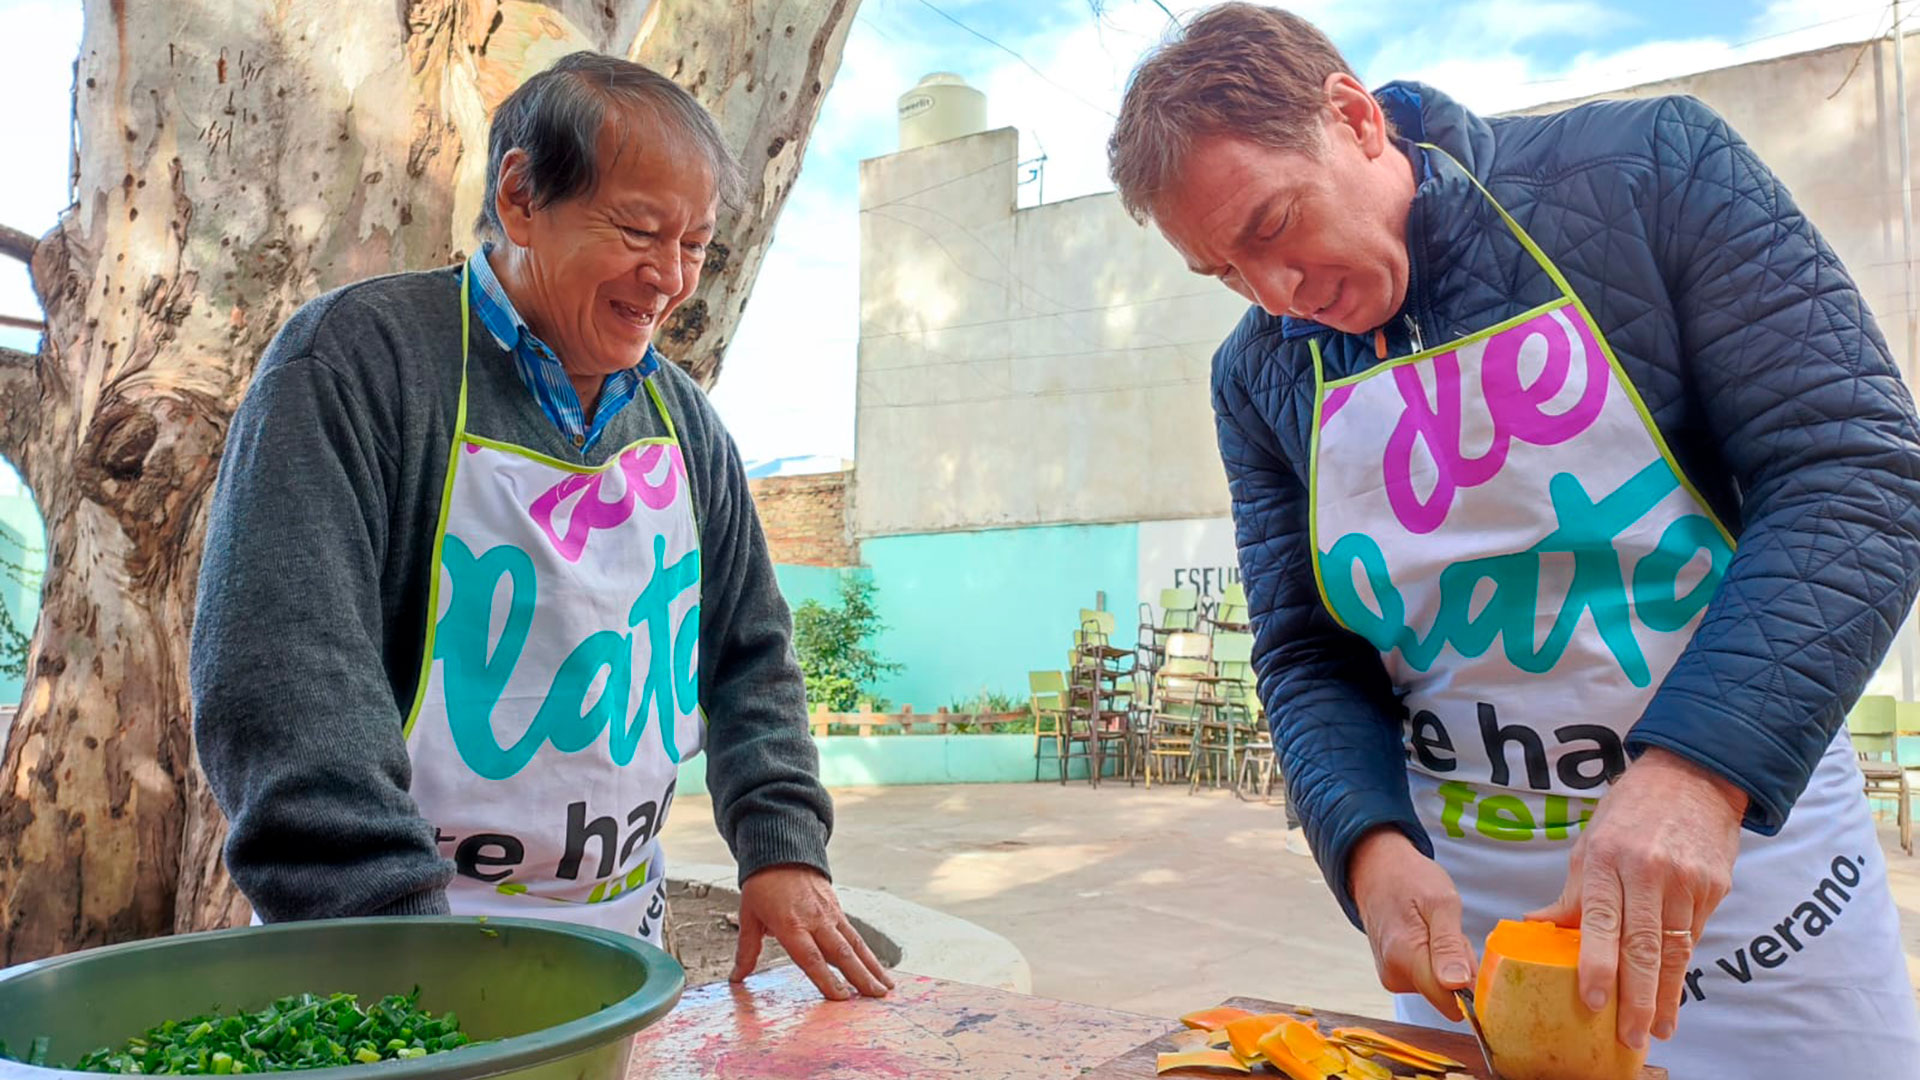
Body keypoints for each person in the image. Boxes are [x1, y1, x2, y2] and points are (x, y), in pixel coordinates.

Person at [1108, 4, 1920, 1072]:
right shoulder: (1256, 375)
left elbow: (1857, 470)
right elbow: (1306, 652)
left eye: (1270, 227)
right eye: (1225, 274)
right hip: (1487, 950)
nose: (1276, 296)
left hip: (1759, 891)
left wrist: (1696, 773)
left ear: (1352, 119)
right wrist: (1366, 844)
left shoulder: (1650, 175)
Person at [190, 52, 891, 1002]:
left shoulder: (686, 424)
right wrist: (401, 963)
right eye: (641, 229)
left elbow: (749, 657)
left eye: (697, 246)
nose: (671, 278)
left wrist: (782, 847)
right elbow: (283, 680)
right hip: (397, 979)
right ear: (520, 196)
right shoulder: (357, 367)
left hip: (625, 966)